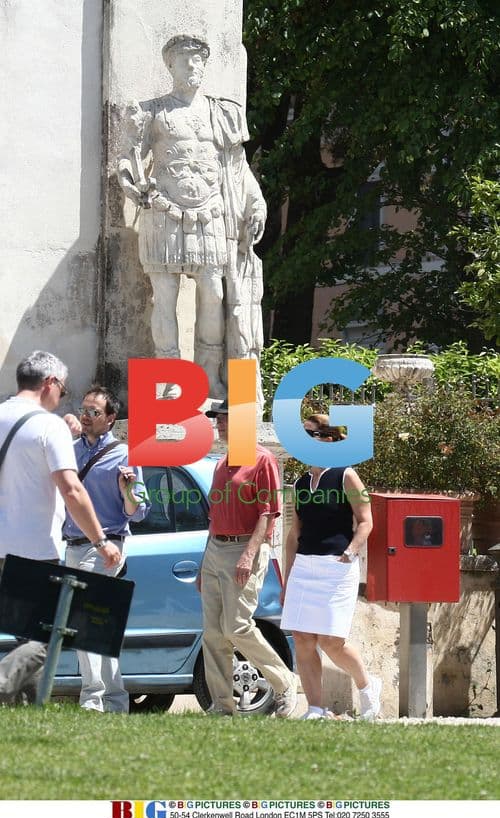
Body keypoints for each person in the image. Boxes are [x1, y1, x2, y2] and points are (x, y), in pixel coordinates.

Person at [117, 34, 267, 402]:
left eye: (198, 60)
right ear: (170, 66)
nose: (193, 66)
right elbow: (128, 160)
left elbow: (237, 168)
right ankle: (169, 381)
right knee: (164, 297)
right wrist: (135, 186)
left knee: (214, 294)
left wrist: (257, 203)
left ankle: (208, 378)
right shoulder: (151, 111)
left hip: (213, 214)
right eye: (185, 60)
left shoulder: (222, 113)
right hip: (165, 213)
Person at [0, 352, 121, 705]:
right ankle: (4, 680)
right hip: (33, 550)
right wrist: (101, 541)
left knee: (28, 636)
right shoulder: (47, 425)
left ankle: (25, 711)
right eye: (64, 391)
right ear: (50, 383)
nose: (62, 399)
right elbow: (71, 489)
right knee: (50, 634)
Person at [198, 399, 297, 716]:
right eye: (218, 419)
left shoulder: (263, 460)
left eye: (224, 419)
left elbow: (269, 514)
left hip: (245, 549)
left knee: (237, 627)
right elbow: (215, 518)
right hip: (216, 550)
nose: (219, 424)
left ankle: (284, 683)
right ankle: (222, 705)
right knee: (213, 633)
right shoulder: (221, 462)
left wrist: (249, 554)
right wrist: (205, 563)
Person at [281, 413, 381, 720]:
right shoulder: (299, 484)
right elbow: (294, 535)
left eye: (310, 434)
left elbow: (366, 521)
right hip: (304, 568)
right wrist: (287, 580)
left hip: (337, 568)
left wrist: (350, 553)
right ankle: (315, 708)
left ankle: (367, 686)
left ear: (328, 439)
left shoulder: (346, 475)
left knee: (331, 642)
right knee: (302, 638)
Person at [62, 385, 150, 713]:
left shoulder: (124, 455)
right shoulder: (69, 451)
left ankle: (92, 699)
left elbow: (138, 511)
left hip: (107, 546)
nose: (86, 416)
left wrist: (128, 490)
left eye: (94, 412)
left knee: (83, 618)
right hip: (72, 545)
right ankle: (115, 701)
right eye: (84, 409)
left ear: (111, 419)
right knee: (100, 624)